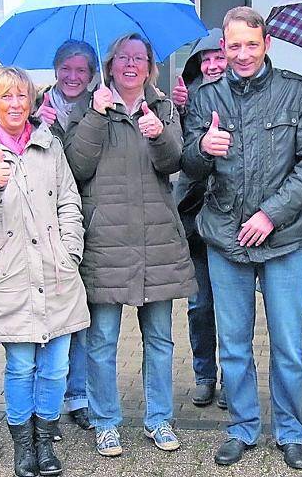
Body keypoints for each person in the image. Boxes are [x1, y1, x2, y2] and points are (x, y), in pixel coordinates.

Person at [182, 6, 302, 470]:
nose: (242, 54)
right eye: (233, 46)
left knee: (287, 342)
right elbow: (187, 164)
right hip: (226, 238)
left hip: (285, 240)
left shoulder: (296, 92)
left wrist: (271, 214)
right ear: (222, 50)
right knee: (235, 344)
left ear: (266, 43)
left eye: (251, 44)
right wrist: (203, 149)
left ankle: (288, 429)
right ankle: (243, 426)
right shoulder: (206, 98)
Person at [63, 33, 196, 457]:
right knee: (102, 341)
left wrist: (160, 135)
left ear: (150, 65)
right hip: (106, 241)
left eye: (139, 58)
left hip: (157, 241)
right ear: (111, 63)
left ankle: (158, 419)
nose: (131, 65)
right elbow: (76, 166)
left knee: (160, 339)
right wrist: (97, 117)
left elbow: (176, 163)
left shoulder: (164, 108)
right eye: (123, 57)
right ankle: (106, 422)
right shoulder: (90, 105)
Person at [0, 66, 89, 477]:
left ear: (32, 101)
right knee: (20, 365)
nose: (15, 105)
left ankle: (46, 441)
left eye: (22, 97)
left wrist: (71, 250)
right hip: (10, 275)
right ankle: (23, 445)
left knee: (55, 366)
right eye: (6, 97)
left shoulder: (49, 145)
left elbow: (69, 200)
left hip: (55, 272)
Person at [34, 39, 100, 430]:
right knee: (45, 316)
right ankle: (46, 400)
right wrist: (36, 124)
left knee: (79, 317)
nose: (73, 77)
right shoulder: (32, 105)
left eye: (81, 70)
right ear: (56, 69)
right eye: (66, 68)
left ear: (92, 74)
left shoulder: (99, 104)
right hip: (43, 222)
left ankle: (79, 395)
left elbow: (84, 163)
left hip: (85, 219)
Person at [170, 28, 229, 408]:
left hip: (231, 219)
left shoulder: (244, 98)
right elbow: (175, 154)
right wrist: (178, 110)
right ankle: (205, 375)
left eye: (217, 58)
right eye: (204, 60)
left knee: (232, 308)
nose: (211, 65)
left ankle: (233, 377)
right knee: (201, 305)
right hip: (194, 218)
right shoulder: (185, 102)